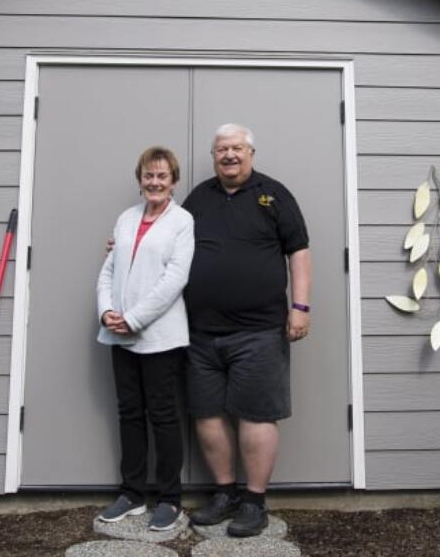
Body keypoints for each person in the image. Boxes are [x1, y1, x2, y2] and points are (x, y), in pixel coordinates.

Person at [182, 123, 312, 537]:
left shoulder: (274, 194)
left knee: (257, 415)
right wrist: (125, 245)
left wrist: (300, 307)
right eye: (222, 149)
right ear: (214, 156)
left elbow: (299, 252)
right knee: (207, 413)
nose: (229, 155)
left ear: (251, 152)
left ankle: (254, 502)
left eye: (237, 148)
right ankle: (224, 494)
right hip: (200, 332)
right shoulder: (198, 198)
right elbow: (167, 238)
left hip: (259, 331)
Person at [94, 146, 195, 532]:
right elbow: (108, 270)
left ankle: (169, 498)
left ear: (173, 181)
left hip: (160, 337)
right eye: (148, 176)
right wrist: (106, 312)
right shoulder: (126, 219)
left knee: (164, 416)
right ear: (140, 180)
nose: (154, 182)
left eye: (162, 176)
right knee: (130, 413)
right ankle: (132, 493)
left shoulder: (182, 221)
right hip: (118, 335)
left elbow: (175, 279)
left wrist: (135, 318)